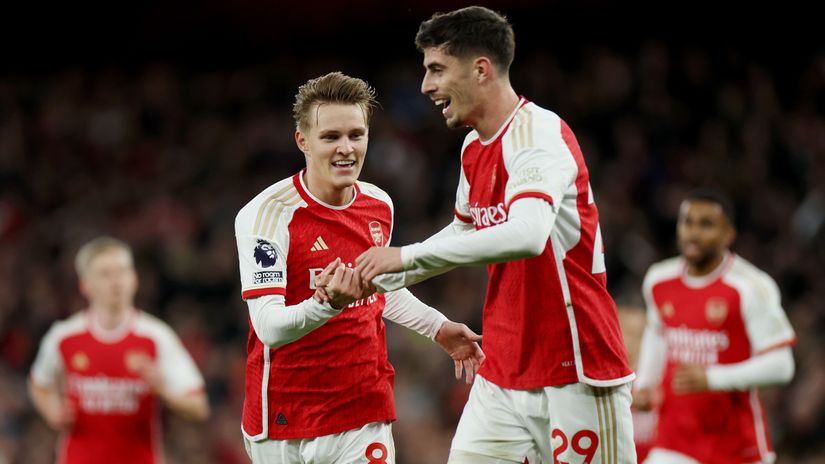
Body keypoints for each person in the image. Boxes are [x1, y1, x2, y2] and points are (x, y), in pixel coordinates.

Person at [356, 6, 635, 463]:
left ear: (481, 69)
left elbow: (527, 234)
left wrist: (404, 257)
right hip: (503, 367)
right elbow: (463, 231)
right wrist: (377, 276)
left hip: (574, 365)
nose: (426, 86)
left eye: (437, 70)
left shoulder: (538, 134)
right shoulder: (473, 147)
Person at [233, 71, 484, 463]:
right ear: (302, 141)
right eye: (330, 137)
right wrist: (326, 304)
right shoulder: (266, 216)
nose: (346, 148)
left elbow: (379, 287)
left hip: (362, 409)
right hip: (284, 421)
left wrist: (437, 327)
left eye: (356, 134)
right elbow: (268, 327)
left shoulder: (378, 205)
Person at [633, 188, 796, 464]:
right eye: (688, 222)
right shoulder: (659, 280)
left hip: (735, 446)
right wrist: (646, 383)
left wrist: (713, 378)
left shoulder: (750, 286)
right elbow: (657, 333)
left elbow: (782, 365)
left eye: (706, 224)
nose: (693, 232)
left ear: (728, 234)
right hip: (675, 441)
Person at [29, 236, 209, 464]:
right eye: (105, 274)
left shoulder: (156, 337)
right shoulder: (64, 336)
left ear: (134, 278)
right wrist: (51, 410)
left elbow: (199, 406)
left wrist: (163, 389)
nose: (116, 281)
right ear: (85, 285)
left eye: (122, 272)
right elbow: (39, 385)